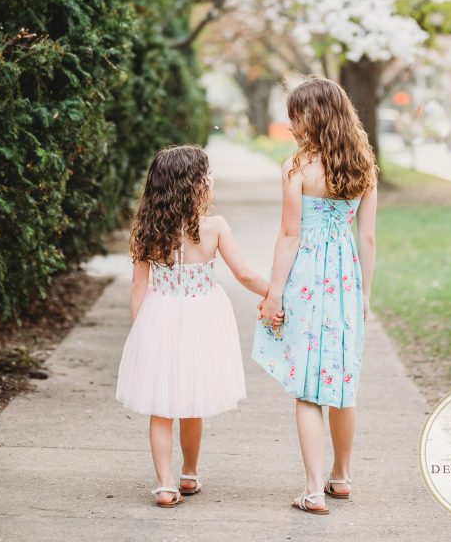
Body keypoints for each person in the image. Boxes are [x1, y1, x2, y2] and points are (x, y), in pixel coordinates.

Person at [116, 143, 277, 507]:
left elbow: (139, 286)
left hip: (160, 317)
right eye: (208, 177)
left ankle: (165, 484)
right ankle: (189, 474)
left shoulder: (148, 227)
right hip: (204, 318)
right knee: (193, 400)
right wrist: (273, 293)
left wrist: (141, 333)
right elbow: (244, 274)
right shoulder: (215, 227)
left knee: (162, 406)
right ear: (195, 185)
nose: (212, 183)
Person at [252, 76, 378, 515]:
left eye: (295, 115)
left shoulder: (297, 168)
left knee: (308, 389)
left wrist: (274, 294)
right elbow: (368, 239)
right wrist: (363, 295)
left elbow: (289, 235)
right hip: (343, 280)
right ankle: (340, 478)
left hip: (306, 278)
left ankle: (311, 490)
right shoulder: (363, 165)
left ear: (314, 115)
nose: (290, 124)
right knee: (343, 383)